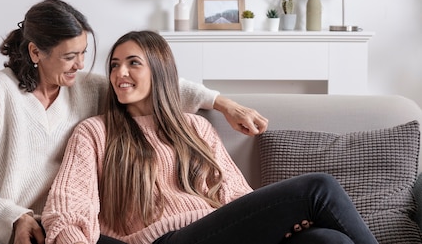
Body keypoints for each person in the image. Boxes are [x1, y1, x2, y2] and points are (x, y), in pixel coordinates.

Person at [0, 0, 268, 244]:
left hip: (80, 227)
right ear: (36, 53)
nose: (80, 65)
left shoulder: (85, 87)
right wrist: (14, 217)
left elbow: (155, 85)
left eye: (84, 53)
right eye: (70, 56)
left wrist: (224, 104)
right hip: (24, 232)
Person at [42, 30, 379, 244]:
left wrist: (282, 224)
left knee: (329, 240)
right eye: (114, 65)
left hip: (220, 230)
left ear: (160, 72)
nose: (120, 73)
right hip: (166, 240)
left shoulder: (195, 128)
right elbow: (67, 205)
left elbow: (236, 196)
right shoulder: (96, 131)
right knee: (319, 188)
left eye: (133, 63)